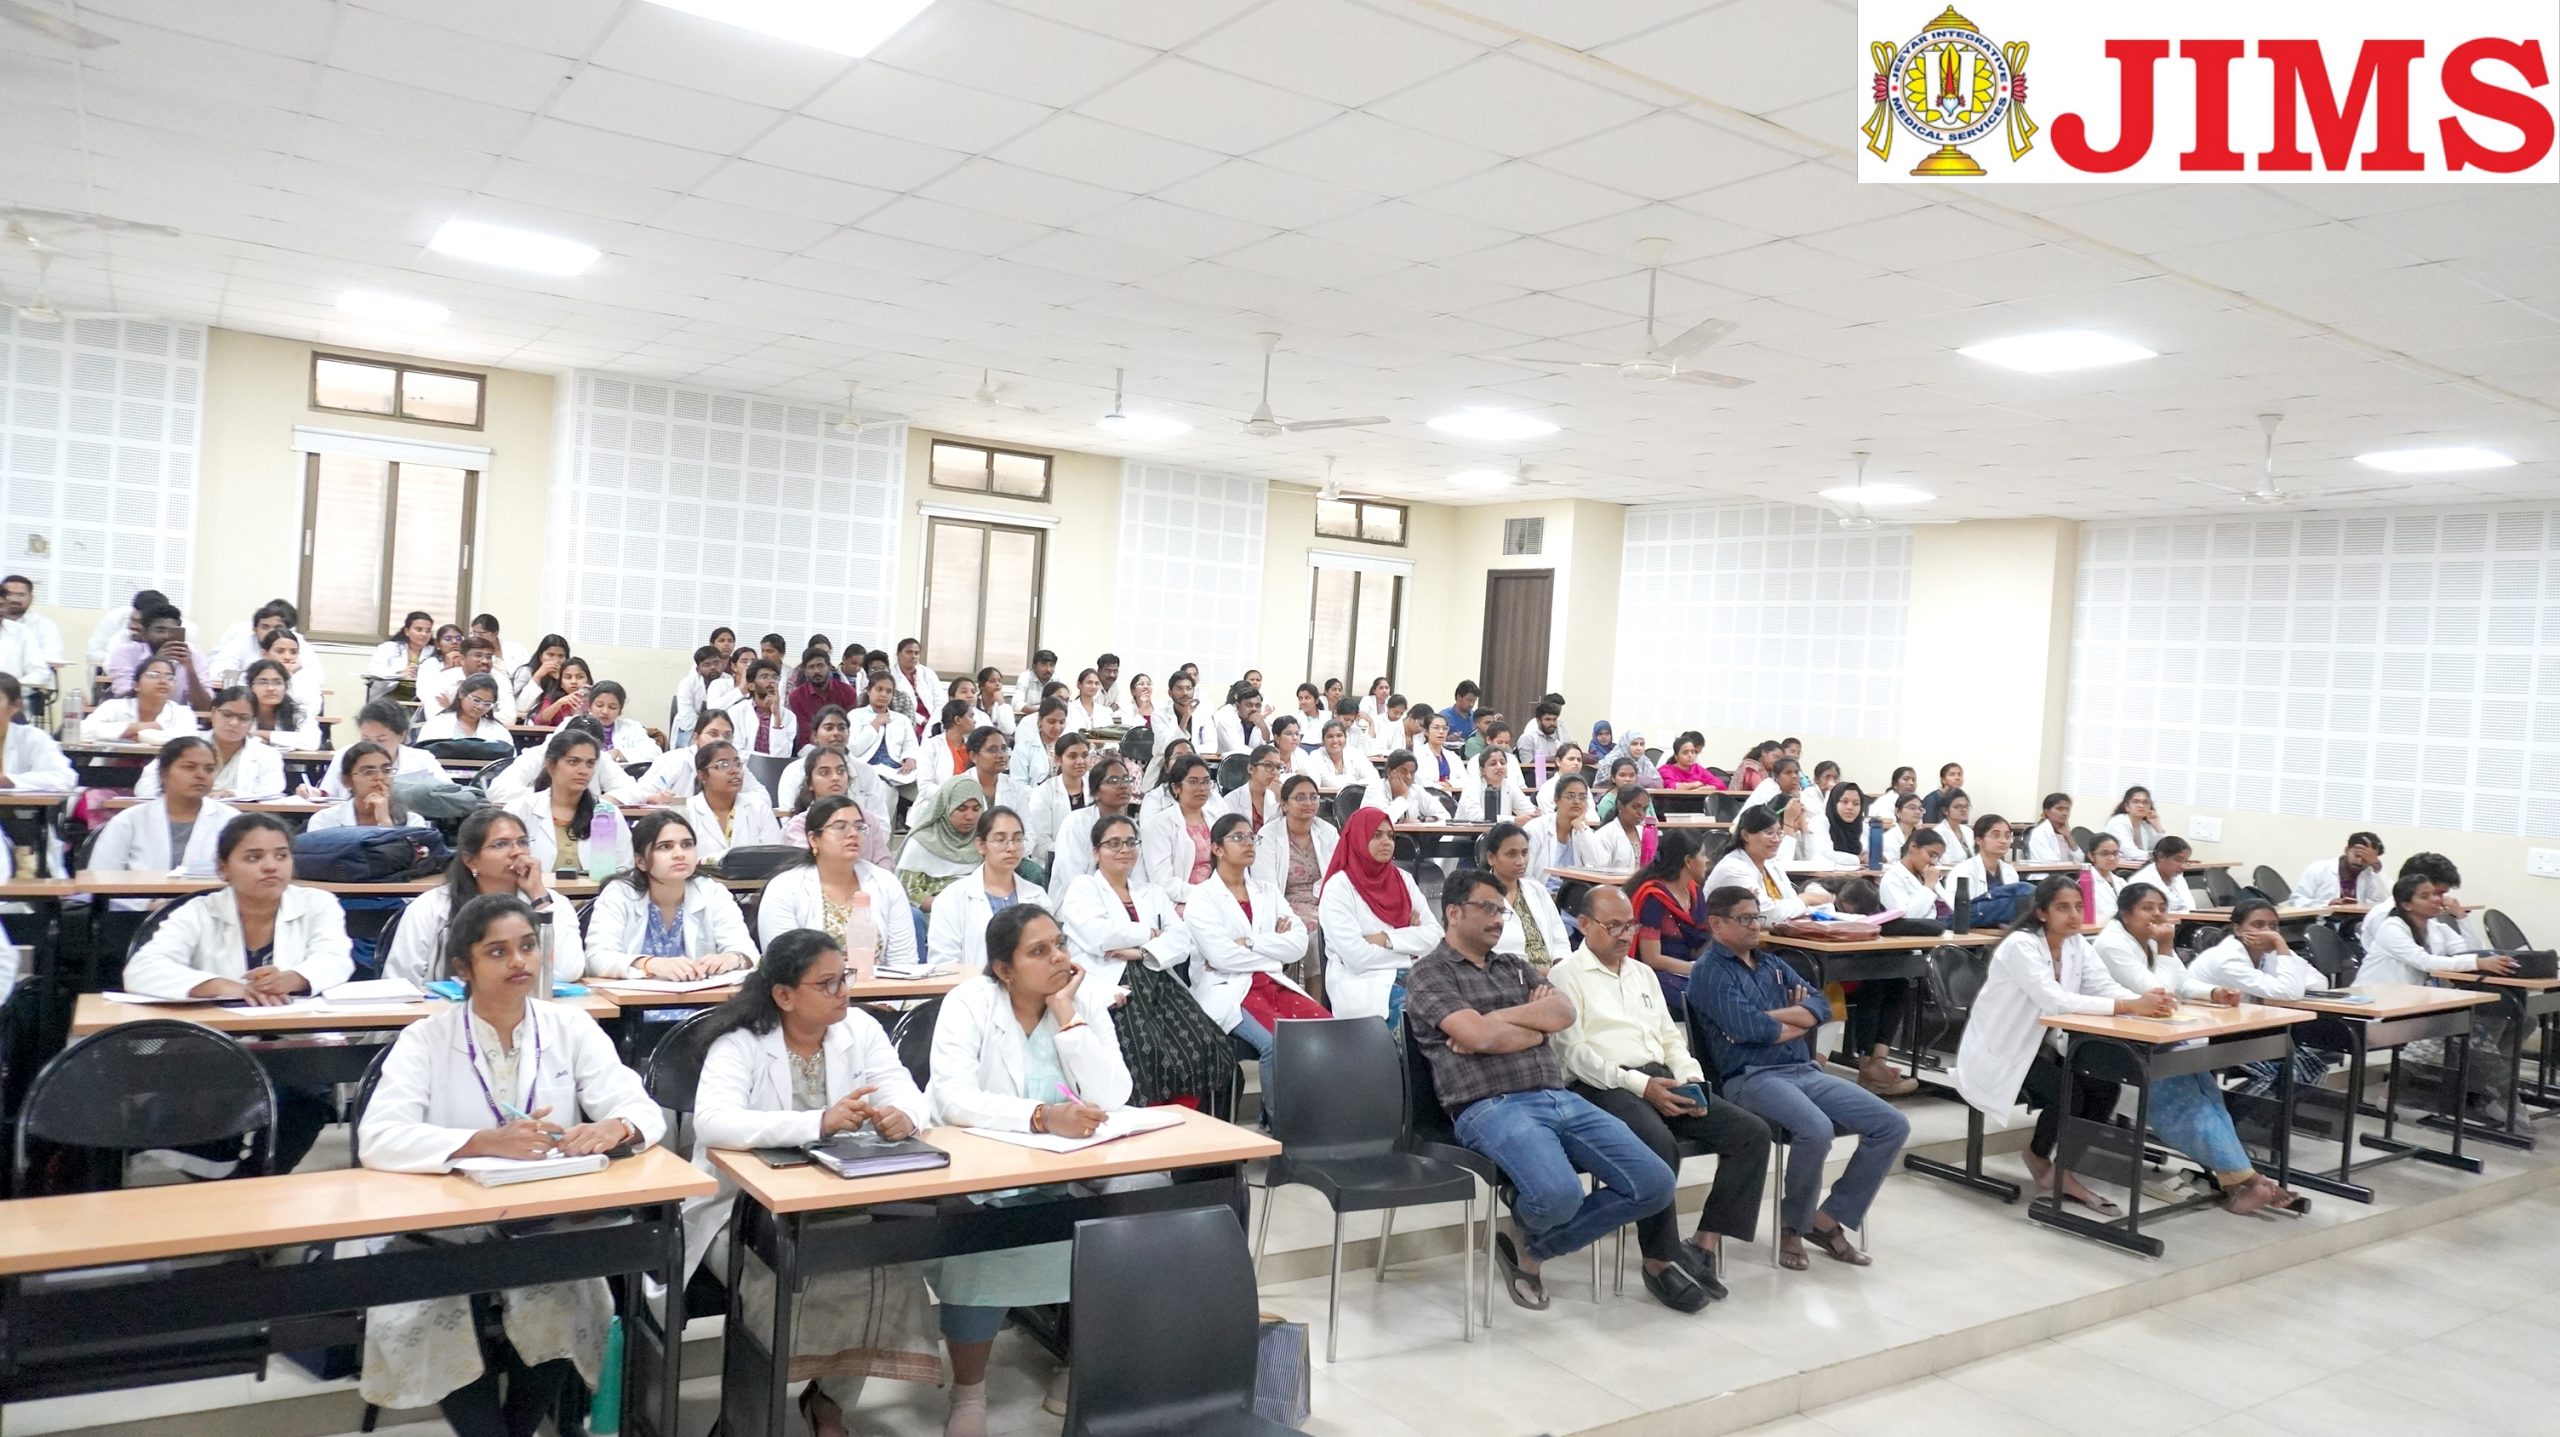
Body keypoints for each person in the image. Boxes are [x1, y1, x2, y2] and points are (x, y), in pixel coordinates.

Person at [355, 894, 663, 1434]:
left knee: (569, 1294)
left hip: (543, 1226)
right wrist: (480, 1142)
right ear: (463, 967)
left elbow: (640, 1108)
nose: (519, 961)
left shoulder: (570, 1027)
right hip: (443, 1234)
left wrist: (614, 1127)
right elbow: (378, 1138)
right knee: (434, 1308)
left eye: (527, 946)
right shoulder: (426, 1038)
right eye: (497, 952)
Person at [686, 930, 941, 1437]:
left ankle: (829, 1402)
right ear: (784, 995)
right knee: (782, 1278)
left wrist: (904, 1116)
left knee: (889, 1270)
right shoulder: (741, 1044)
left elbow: (906, 1090)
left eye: (845, 977)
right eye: (827, 983)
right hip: (744, 1214)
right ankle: (747, 1417)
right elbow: (712, 1123)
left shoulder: (859, 1029)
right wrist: (817, 1123)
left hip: (838, 1205)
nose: (843, 991)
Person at [1406, 867, 1678, 1311]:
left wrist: (1494, 1024)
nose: (1498, 919)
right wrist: (1529, 1027)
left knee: (1655, 1183)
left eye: (1502, 911)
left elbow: (1563, 1014)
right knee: (1559, 1196)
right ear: (1453, 912)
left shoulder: (1514, 967)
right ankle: (1533, 1217)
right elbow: (1476, 1037)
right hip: (1489, 1106)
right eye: (1487, 908)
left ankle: (1530, 1250)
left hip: (1558, 1096)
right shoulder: (1430, 974)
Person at [1958, 878, 2305, 1216]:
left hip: (2045, 1043)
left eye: (2078, 907)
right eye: (2063, 908)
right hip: (2003, 1049)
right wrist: (2130, 1006)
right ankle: (2038, 1158)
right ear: (2042, 912)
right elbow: (2054, 1000)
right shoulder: (2021, 945)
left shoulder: (2076, 944)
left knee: (2104, 1088)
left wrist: (2146, 1005)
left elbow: (2103, 985)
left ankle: (2063, 1169)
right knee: (2070, 1095)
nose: (2074, 915)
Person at [926, 904, 1140, 1434]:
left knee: (1126, 1224)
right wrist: (1042, 1117)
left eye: (1060, 944)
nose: (1059, 958)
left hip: (1071, 1166)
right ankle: (969, 1395)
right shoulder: (968, 1002)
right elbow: (952, 1097)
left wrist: (1068, 1017)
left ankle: (1077, 1367)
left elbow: (1115, 1093)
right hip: (985, 1168)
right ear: (1004, 968)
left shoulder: (1082, 998)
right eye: (1039, 951)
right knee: (982, 1246)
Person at [1551, 884, 1771, 1305]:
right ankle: (1659, 1260)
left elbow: (1670, 1038)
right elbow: (1575, 1055)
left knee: (1751, 1133)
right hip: (1603, 1086)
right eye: (1613, 926)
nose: (1625, 935)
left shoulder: (1641, 973)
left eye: (1630, 925)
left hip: (1661, 1077)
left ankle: (1702, 1246)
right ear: (1584, 924)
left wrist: (1690, 1077)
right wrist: (1642, 1086)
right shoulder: (1566, 976)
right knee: (1658, 1144)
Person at [1687, 886, 1907, 1269]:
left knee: (1891, 1124)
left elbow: (1822, 1005)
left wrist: (1777, 1020)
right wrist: (1793, 1020)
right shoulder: (1709, 971)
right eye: (1745, 918)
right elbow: (1747, 1029)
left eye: (1757, 917)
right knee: (1816, 1130)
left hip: (1803, 1070)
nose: (1755, 925)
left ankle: (1826, 1219)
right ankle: (1793, 1225)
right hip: (1750, 1077)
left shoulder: (1772, 964)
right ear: (1717, 925)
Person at [1058, 811, 1235, 1111]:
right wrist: (1150, 932)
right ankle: (1153, 1124)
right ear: (1096, 851)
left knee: (1206, 1043)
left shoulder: (1151, 892)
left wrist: (1140, 951)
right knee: (1146, 1051)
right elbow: (1100, 936)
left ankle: (1188, 1123)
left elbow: (1181, 940)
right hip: (1113, 984)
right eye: (1114, 843)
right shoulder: (1083, 888)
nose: (1124, 849)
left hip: (1157, 976)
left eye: (1130, 842)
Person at [1184, 813, 1323, 1113]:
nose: (1248, 843)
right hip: (1230, 989)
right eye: (1238, 837)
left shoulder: (1267, 891)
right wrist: (1274, 946)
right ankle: (1278, 1122)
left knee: (1325, 1030)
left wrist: (1249, 943)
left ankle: (1317, 1115)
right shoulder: (1202, 898)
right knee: (1277, 1043)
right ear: (1217, 848)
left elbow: (1298, 944)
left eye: (1251, 837)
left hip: (1272, 981)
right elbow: (1221, 956)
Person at [382, 807, 586, 988]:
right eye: (500, 844)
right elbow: (400, 984)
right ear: (471, 861)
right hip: (445, 1014)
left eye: (522, 842)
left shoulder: (551, 902)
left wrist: (539, 897)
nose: (517, 852)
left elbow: (568, 972)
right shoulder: (429, 907)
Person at [2188, 895, 2340, 1096]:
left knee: (2313, 1070)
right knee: (2281, 1075)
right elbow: (2290, 991)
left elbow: (2319, 982)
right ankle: (2235, 1112)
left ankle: (2270, 1115)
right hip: (2213, 1034)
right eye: (2258, 925)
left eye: (2273, 926)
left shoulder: (2271, 951)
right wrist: (2280, 950)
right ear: (2238, 929)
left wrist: (2279, 972)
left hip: (2250, 1027)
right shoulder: (2228, 958)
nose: (2267, 932)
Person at [584, 811, 757, 980]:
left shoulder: (712, 892)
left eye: (687, 845)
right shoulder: (619, 894)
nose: (679, 854)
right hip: (633, 998)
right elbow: (596, 958)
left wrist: (732, 958)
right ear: (641, 861)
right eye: (665, 847)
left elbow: (749, 953)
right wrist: (649, 964)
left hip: (701, 997)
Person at [761, 795, 916, 975]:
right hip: (808, 989)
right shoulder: (784, 888)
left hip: (879, 988)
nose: (853, 834)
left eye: (859, 827)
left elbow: (904, 962)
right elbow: (783, 967)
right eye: (840, 827)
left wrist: (884, 994)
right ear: (813, 839)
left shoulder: (886, 883)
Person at [1319, 808, 1440, 1021]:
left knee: (1459, 1002)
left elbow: (1435, 937)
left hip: (1412, 974)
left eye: (1391, 836)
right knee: (1419, 1010)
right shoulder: (1338, 888)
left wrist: (1385, 939)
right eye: (1376, 835)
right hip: (1363, 982)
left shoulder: (1403, 879)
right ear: (1358, 838)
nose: (1387, 842)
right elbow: (1356, 956)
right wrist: (1411, 950)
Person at [88, 737, 240, 887]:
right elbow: (99, 880)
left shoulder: (231, 821)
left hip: (210, 902)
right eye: (189, 767)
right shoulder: (127, 821)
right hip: (137, 902)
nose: (201, 775)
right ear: (163, 773)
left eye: (209, 769)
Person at [926, 805, 1047, 974]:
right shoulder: (951, 898)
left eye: (1018, 839)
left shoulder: (1037, 896)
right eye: (1000, 840)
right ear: (981, 845)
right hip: (969, 988)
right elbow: (945, 966)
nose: (1011, 848)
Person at [504, 728, 630, 876]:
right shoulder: (519, 811)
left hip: (597, 891)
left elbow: (624, 869)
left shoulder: (607, 813)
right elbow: (506, 867)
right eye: (573, 762)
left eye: (590, 764)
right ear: (551, 766)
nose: (584, 771)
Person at [134, 686, 284, 801]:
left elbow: (272, 793)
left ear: (253, 721)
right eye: (227, 715)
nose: (233, 723)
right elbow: (146, 784)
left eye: (243, 718)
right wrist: (179, 797)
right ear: (213, 712)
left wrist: (232, 794)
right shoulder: (185, 744)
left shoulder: (267, 755)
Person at [1707, 805, 1832, 927]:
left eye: (1779, 833)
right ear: (1746, 835)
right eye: (1769, 833)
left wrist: (1803, 902)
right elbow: (1764, 915)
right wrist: (1805, 899)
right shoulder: (1732, 868)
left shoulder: (1771, 863)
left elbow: (1792, 902)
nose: (1776, 839)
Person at [316, 699, 451, 799]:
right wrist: (314, 793)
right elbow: (327, 795)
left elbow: (449, 793)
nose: (372, 746)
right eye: (366, 739)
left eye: (381, 740)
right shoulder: (345, 754)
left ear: (401, 735)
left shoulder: (422, 759)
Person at [1481, 822, 1569, 972]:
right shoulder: (1479, 898)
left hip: (1552, 975)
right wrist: (1535, 975)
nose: (1521, 861)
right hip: (1507, 977)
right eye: (1511, 854)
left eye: (1524, 853)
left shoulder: (1537, 890)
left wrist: (1560, 969)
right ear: (1491, 858)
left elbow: (1559, 939)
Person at [684, 738, 784, 864]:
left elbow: (776, 858)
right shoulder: (687, 812)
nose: (735, 771)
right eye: (724, 765)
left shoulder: (759, 808)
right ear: (702, 775)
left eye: (738, 764)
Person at [609, 707, 734, 806]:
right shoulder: (675, 760)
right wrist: (654, 797)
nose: (721, 740)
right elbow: (641, 792)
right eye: (713, 734)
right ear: (696, 738)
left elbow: (745, 798)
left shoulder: (735, 766)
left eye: (727, 735)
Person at [1048, 756, 1138, 890]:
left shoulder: (1132, 827)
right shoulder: (1075, 823)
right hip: (1080, 897)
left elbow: (1138, 876)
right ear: (1095, 792)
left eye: (1126, 779)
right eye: (1113, 781)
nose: (1123, 786)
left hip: (1123, 897)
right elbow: (1073, 879)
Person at [1139, 752, 1219, 897]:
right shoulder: (1158, 826)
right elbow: (1163, 883)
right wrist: (1206, 896)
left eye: (1206, 781)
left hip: (1220, 897)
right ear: (1176, 788)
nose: (1202, 788)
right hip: (1181, 900)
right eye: (1193, 782)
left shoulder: (1216, 818)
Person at [1938, 813, 2035, 927]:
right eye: (1996, 835)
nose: (2003, 841)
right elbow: (1961, 911)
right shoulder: (1963, 871)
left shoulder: (2010, 871)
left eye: (2007, 836)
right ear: (1979, 840)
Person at [81, 652, 200, 743]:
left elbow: (187, 739)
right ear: (136, 685)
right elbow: (83, 731)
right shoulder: (113, 706)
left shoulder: (181, 712)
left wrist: (136, 736)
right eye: (154, 675)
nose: (163, 681)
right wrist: (141, 726)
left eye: (170, 678)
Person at [1024, 730, 1092, 876]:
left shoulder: (1095, 789)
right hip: (1054, 867)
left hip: (1092, 865)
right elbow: (1040, 844)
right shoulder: (1043, 793)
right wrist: (1077, 852)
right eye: (1072, 756)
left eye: (1085, 755)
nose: (1080, 761)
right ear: (1058, 759)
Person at [421, 636, 520, 725]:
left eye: (489, 657)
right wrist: (485, 717)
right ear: (462, 659)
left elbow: (509, 719)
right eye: (478, 656)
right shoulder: (443, 679)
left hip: (487, 735)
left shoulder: (500, 680)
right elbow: (434, 717)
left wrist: (451, 710)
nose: (485, 661)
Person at [0, 673, 74, 791]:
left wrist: (9, 781)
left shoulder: (33, 738)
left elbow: (64, 778)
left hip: (17, 803)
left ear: (15, 706)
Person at [0, 574, 64, 704]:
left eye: (1, 605)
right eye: (11, 595)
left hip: (13, 699)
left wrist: (11, 687)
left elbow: (40, 672)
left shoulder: (22, 631)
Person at [2286, 831, 2388, 907]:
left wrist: (2377, 869)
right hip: (2320, 922)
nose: (2359, 861)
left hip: (2353, 923)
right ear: (2346, 850)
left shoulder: (2369, 874)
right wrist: (2326, 904)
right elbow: (2295, 901)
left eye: (2366, 859)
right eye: (2357, 855)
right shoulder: (2318, 869)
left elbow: (2387, 902)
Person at [1525, 774, 1591, 888]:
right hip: (1540, 892)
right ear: (1556, 799)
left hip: (1573, 894)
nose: (1577, 801)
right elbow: (1525, 874)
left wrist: (1581, 829)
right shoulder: (1535, 829)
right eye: (1570, 796)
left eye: (1582, 797)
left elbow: (1598, 865)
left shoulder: (1582, 830)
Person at [418, 674, 512, 747]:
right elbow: (424, 756)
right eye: (476, 700)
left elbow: (506, 761)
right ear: (462, 694)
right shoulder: (437, 724)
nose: (480, 707)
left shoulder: (498, 730)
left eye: (487, 704)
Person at [785, 647, 860, 737]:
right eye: (811, 667)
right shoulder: (796, 696)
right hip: (811, 742)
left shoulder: (848, 692)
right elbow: (805, 732)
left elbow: (851, 726)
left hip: (841, 740)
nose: (816, 671)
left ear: (829, 667)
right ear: (804, 670)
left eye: (820, 666)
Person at [361, 610, 436, 697]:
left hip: (420, 697)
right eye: (419, 629)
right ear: (407, 631)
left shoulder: (434, 652)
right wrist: (400, 673)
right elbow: (374, 671)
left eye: (428, 631)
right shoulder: (389, 647)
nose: (424, 634)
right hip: (387, 695)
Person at [1362, 750, 1448, 824]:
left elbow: (1444, 815)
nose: (1409, 777)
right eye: (1403, 772)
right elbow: (1380, 822)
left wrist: (1421, 820)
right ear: (1389, 772)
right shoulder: (1374, 789)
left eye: (1412, 773)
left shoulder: (1416, 790)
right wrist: (1403, 796)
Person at [1455, 747, 1535, 823]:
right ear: (1482, 770)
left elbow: (1529, 811)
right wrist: (1514, 820)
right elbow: (1476, 817)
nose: (1499, 767)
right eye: (1493, 764)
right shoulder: (1472, 785)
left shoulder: (1509, 784)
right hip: (1466, 832)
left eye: (1502, 763)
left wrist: (1535, 816)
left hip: (1500, 831)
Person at [1587, 782, 1653, 873]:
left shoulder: (1645, 833)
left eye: (1644, 809)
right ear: (1620, 806)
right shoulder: (1604, 835)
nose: (1641, 813)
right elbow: (1599, 872)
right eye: (1635, 807)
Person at [1294, 719, 1375, 793]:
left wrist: (1345, 781)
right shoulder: (1316, 756)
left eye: (1339, 735)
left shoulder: (1355, 753)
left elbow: (1373, 778)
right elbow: (1327, 782)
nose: (1335, 741)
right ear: (1323, 740)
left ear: (1345, 738)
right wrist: (1354, 778)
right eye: (1330, 737)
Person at [2125, 835, 2198, 915]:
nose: (2183, 866)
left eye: (2186, 861)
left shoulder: (2178, 878)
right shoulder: (2141, 881)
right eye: (2178, 860)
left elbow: (2191, 908)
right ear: (2161, 857)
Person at [1011, 699, 1066, 791]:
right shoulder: (1023, 748)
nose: (1057, 727)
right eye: (1051, 721)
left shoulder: (1068, 746)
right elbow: (1018, 785)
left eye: (1062, 722)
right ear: (1040, 720)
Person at [888, 637, 937, 740]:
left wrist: (934, 721)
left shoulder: (928, 673)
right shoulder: (890, 676)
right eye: (909, 652)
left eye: (916, 653)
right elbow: (898, 707)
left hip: (933, 719)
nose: (913, 656)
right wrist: (923, 721)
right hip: (909, 719)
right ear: (898, 654)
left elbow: (940, 701)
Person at [2104, 786, 2162, 861]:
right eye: (2136, 802)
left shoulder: (2144, 825)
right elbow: (2131, 853)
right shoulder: (2118, 822)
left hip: (2136, 866)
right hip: (2116, 866)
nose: (2141, 805)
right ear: (2127, 806)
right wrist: (2160, 856)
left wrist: (2157, 826)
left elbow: (2161, 847)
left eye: (2145, 802)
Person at [2026, 793, 2083, 863]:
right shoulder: (2040, 832)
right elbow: (2050, 862)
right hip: (2050, 870)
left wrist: (2069, 837)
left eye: (2067, 809)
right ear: (2047, 811)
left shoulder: (2066, 832)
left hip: (2069, 870)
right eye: (2060, 809)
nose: (2065, 813)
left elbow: (2080, 860)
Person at [1212, 686, 1268, 757]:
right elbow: (1237, 749)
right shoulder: (1226, 721)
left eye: (1258, 706)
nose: (1254, 709)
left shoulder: (1262, 723)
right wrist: (1262, 755)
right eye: (1249, 705)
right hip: (1229, 763)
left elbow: (1269, 747)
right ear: (1238, 706)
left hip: (1256, 762)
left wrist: (1263, 727)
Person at [2085, 832, 2129, 911]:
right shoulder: (2085, 883)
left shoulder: (2121, 882)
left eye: (2115, 853)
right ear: (2091, 856)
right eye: (2105, 854)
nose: (2112, 858)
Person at [1929, 788, 1977, 860]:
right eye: (1958, 807)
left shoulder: (1969, 831)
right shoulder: (1938, 833)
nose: (1964, 810)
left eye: (1966, 806)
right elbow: (1939, 861)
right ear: (1945, 810)